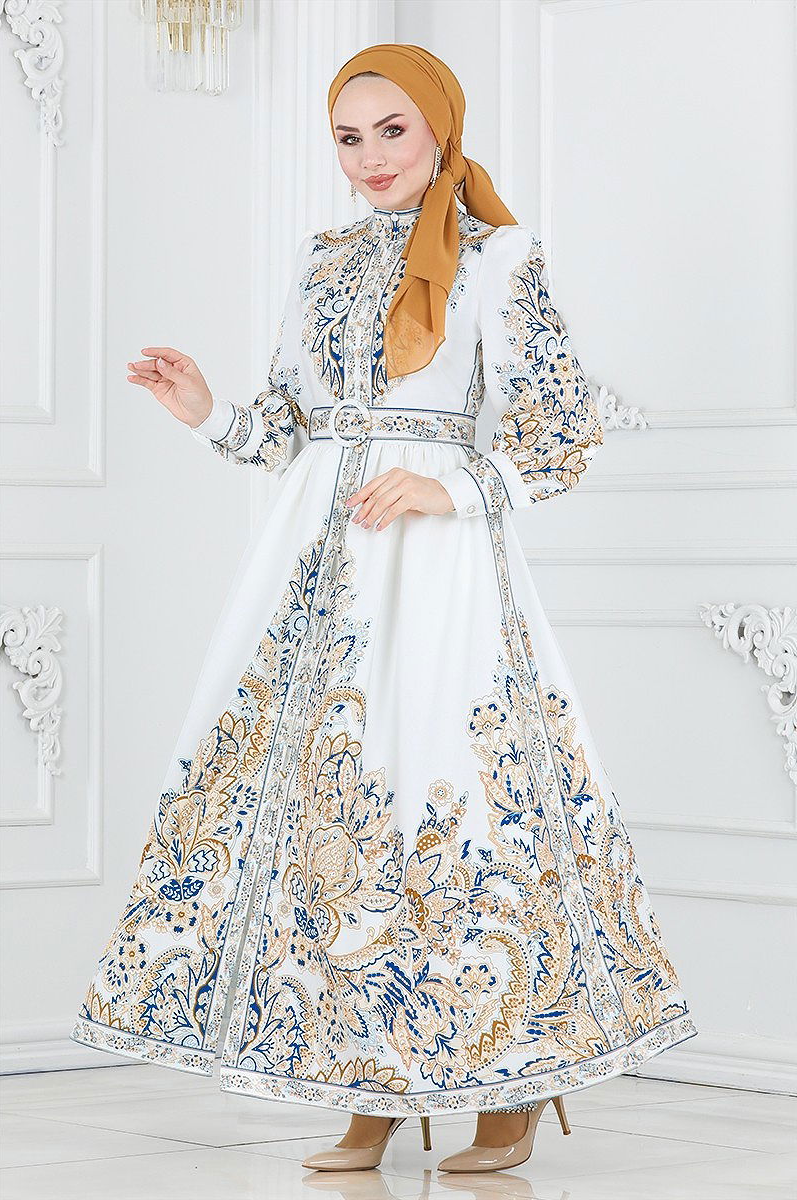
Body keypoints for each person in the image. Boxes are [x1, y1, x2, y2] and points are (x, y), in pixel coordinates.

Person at [70, 43, 698, 1175]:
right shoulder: (322, 262)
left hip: (437, 564)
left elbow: (561, 431)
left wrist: (449, 487)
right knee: (330, 806)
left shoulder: (497, 259)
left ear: (440, 128)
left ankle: (511, 1081)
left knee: (441, 792)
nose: (369, 157)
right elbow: (284, 431)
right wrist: (206, 411)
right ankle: (368, 1082)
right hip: (317, 565)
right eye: (348, 137)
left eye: (391, 130)